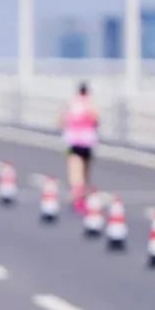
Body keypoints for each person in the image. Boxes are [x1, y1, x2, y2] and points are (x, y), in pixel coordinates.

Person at [59, 82, 99, 213]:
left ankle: (78, 199)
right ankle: (82, 198)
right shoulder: (90, 105)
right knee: (85, 172)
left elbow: (61, 121)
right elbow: (96, 120)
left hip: (74, 142)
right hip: (87, 142)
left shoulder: (71, 104)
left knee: (75, 172)